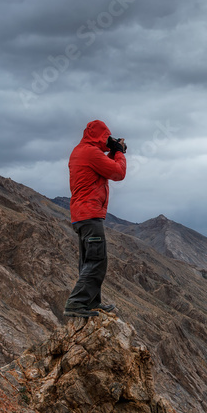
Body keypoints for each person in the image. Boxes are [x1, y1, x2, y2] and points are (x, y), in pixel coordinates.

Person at [63, 120, 127, 317]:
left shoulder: (81, 151)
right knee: (97, 261)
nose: (108, 141)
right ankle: (77, 303)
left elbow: (102, 166)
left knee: (89, 261)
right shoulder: (91, 153)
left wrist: (112, 150)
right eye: (106, 137)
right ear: (100, 136)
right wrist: (119, 152)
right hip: (90, 215)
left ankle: (91, 302)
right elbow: (118, 172)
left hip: (81, 216)